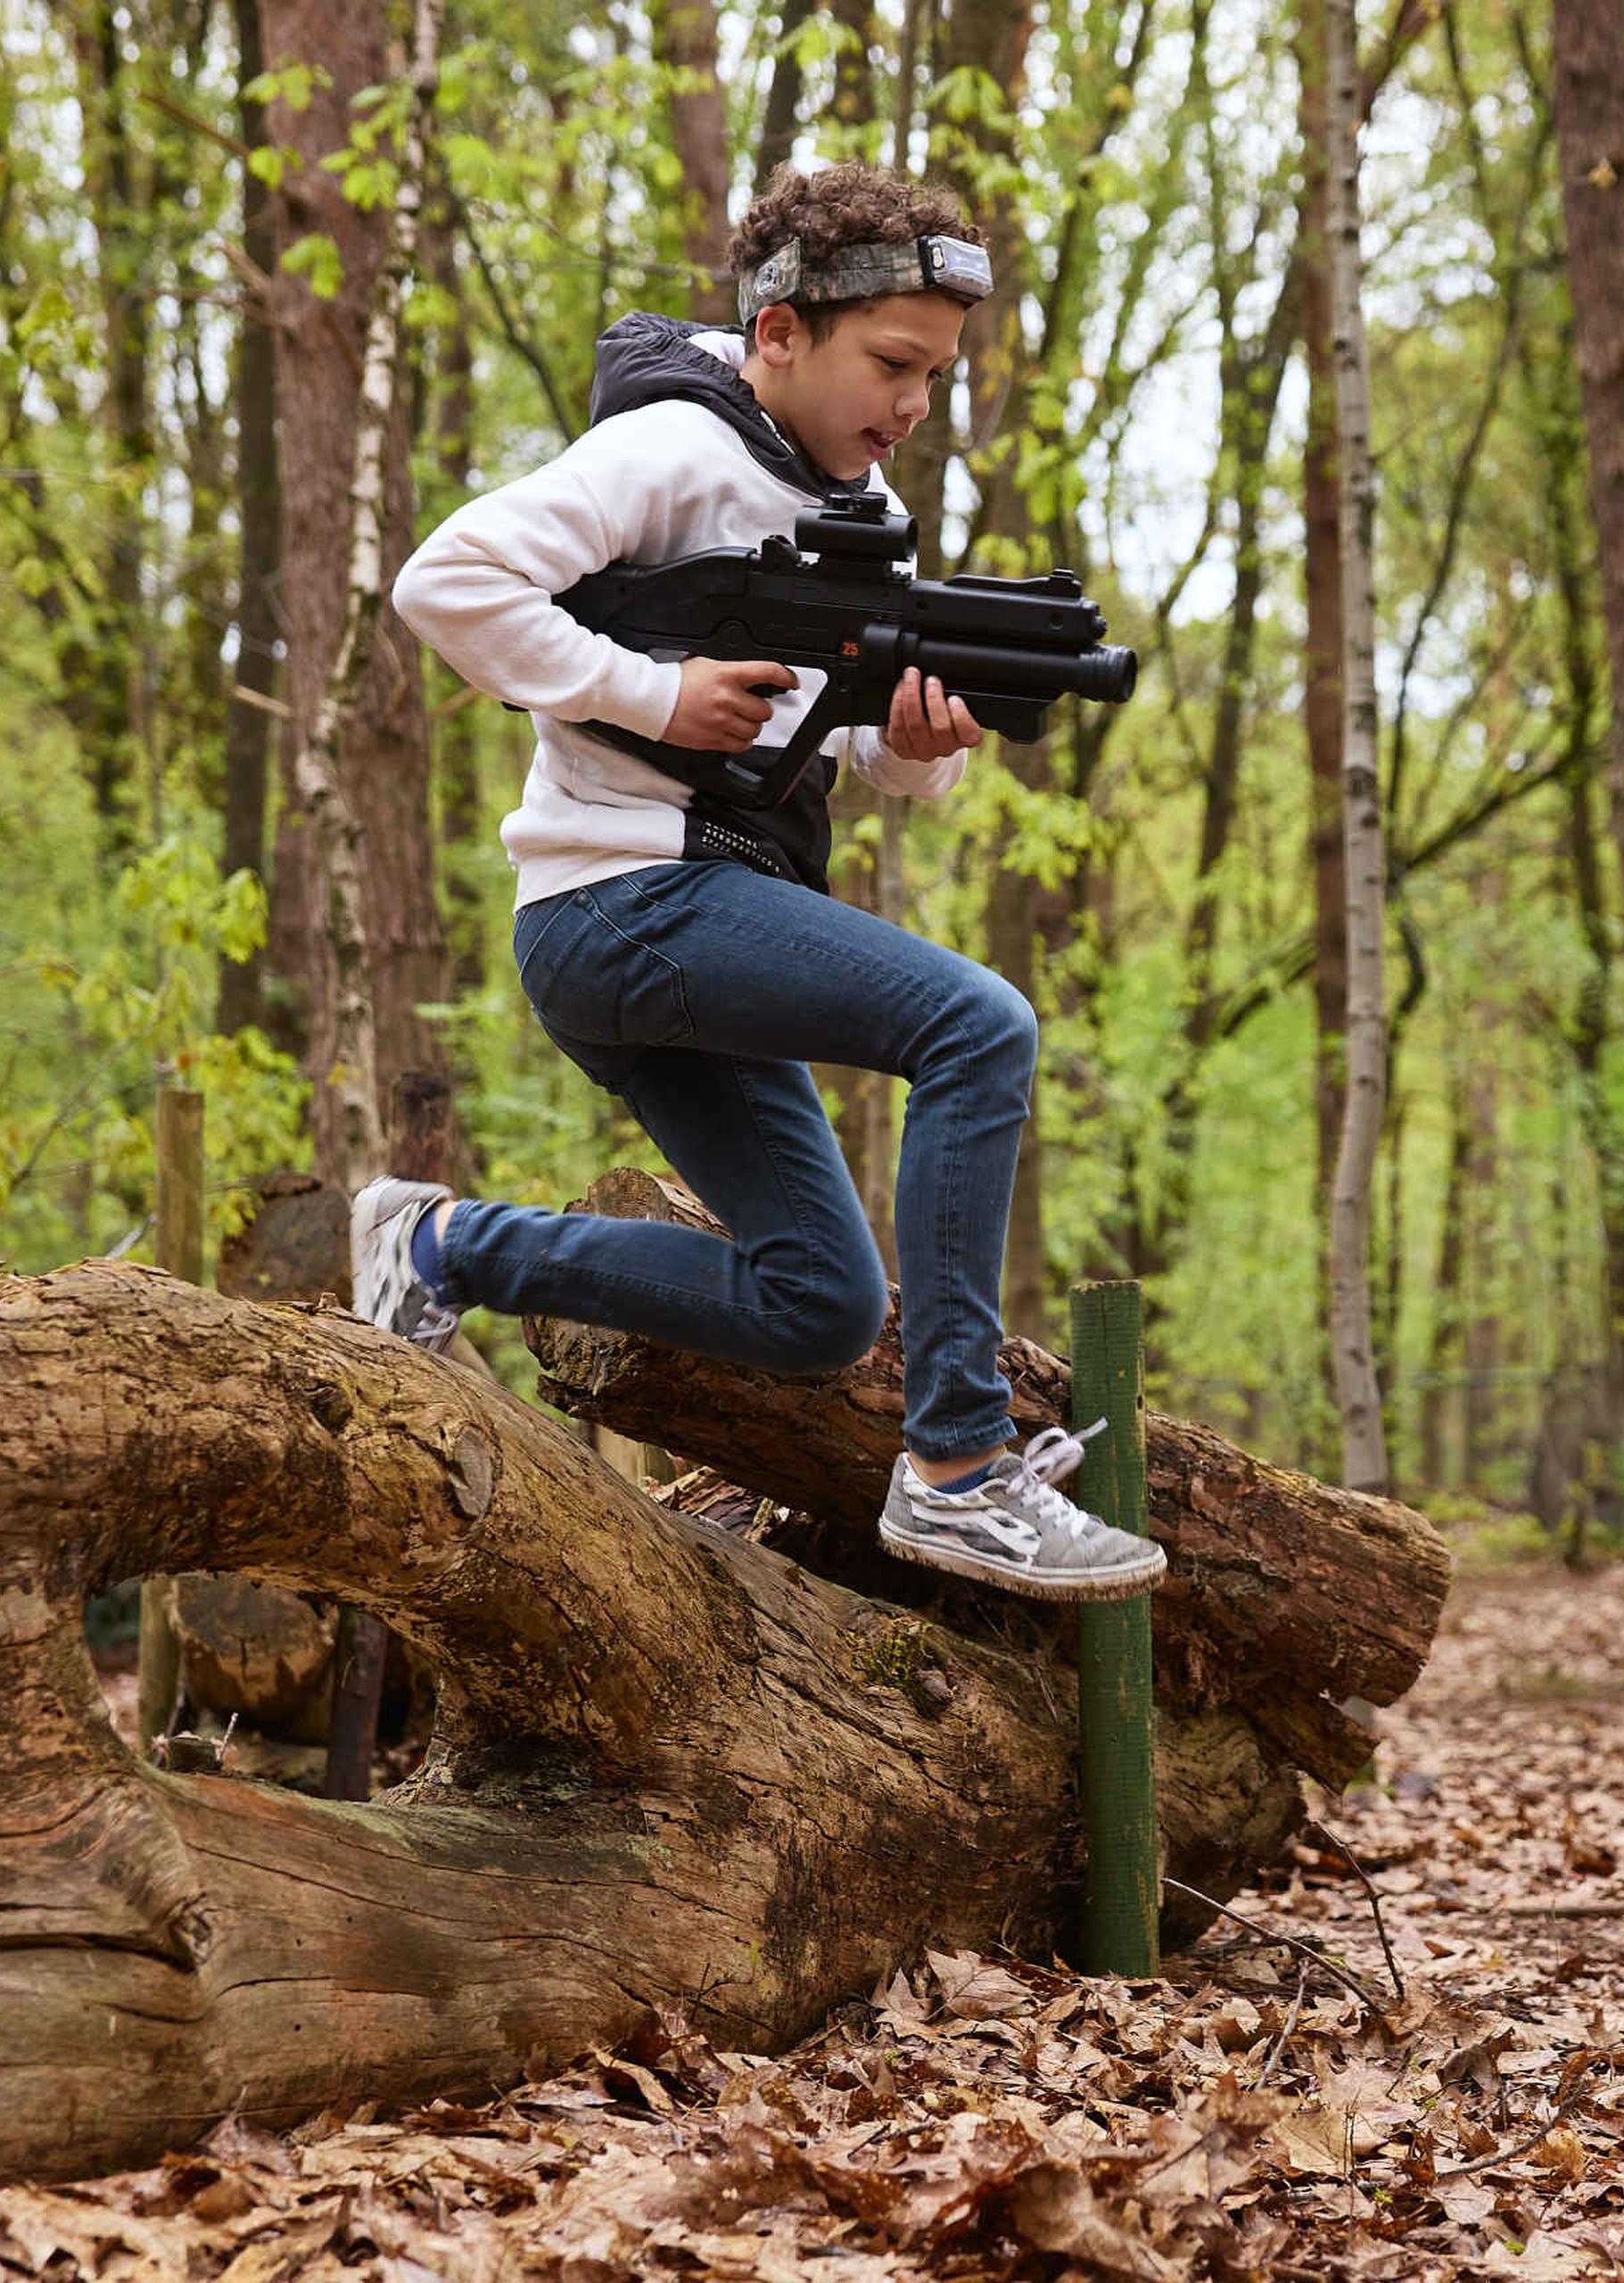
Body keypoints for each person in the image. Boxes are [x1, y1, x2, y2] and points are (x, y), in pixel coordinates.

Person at [367, 161, 1161, 1603]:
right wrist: (653, 695)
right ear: (781, 333)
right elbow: (448, 581)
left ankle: (437, 1244)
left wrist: (918, 743)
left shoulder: (861, 502)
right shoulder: (671, 446)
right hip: (619, 901)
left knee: (819, 1306)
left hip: (693, 919)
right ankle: (961, 1470)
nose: (914, 405)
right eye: (894, 365)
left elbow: (855, 751)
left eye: (937, 378)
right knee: (978, 1025)